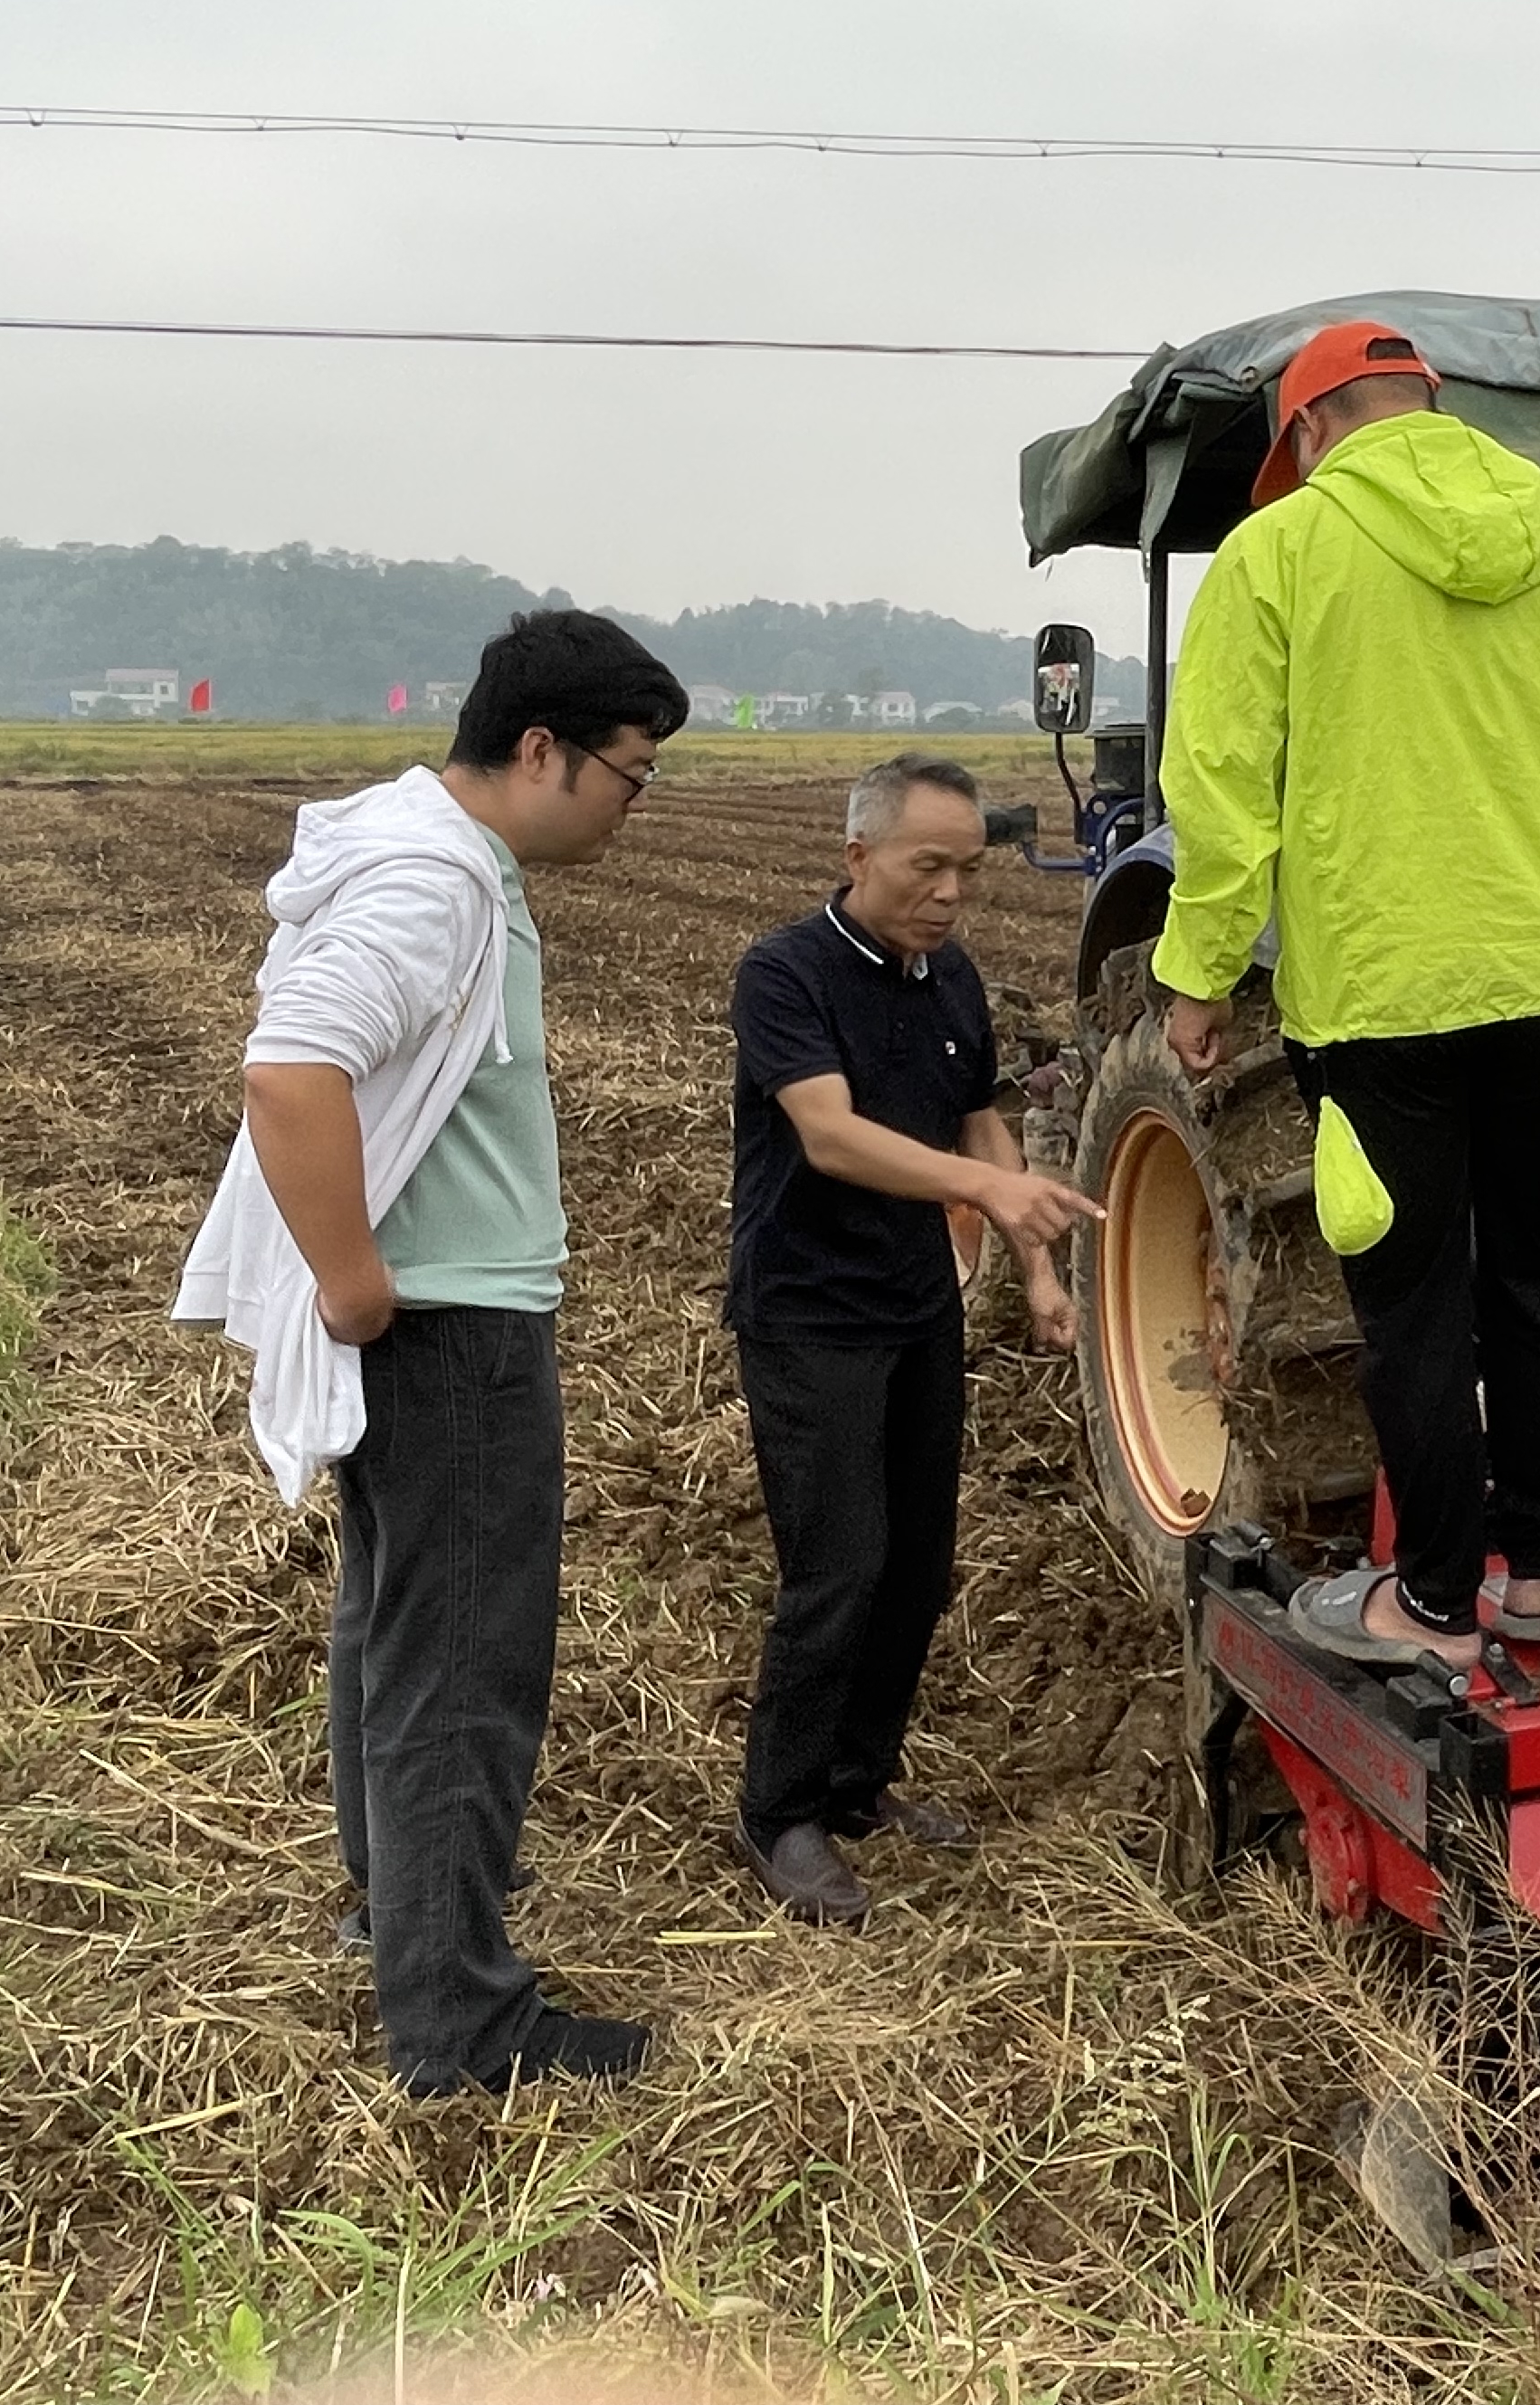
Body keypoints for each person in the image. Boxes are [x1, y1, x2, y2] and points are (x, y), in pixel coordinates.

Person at [174, 610, 687, 2094]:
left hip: (450, 1316)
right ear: (543, 751)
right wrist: (350, 1283)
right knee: (459, 1665)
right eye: (630, 773)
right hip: (450, 1334)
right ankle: (459, 2023)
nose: (632, 805)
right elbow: (290, 1069)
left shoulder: (439, 858)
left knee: (395, 1633)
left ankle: (396, 1922)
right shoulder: (433, 881)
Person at [1153, 321, 1540, 1671]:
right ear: (1429, 407)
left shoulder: (1277, 554)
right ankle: (1527, 1571)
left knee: (1412, 1300)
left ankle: (1434, 1603)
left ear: (1311, 431)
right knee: (1534, 1272)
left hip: (1382, 992)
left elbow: (1221, 791)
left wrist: (1199, 969)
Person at [726, 753, 1098, 1927]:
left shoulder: (952, 977)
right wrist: (988, 1198)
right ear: (857, 857)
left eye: (968, 871)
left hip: (918, 1306)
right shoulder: (784, 975)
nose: (949, 893)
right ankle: (778, 1813)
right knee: (838, 1569)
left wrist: (1035, 1270)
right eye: (926, 866)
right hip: (811, 1313)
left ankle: (854, 1785)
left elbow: (985, 1124)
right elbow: (831, 1137)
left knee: (918, 1569)